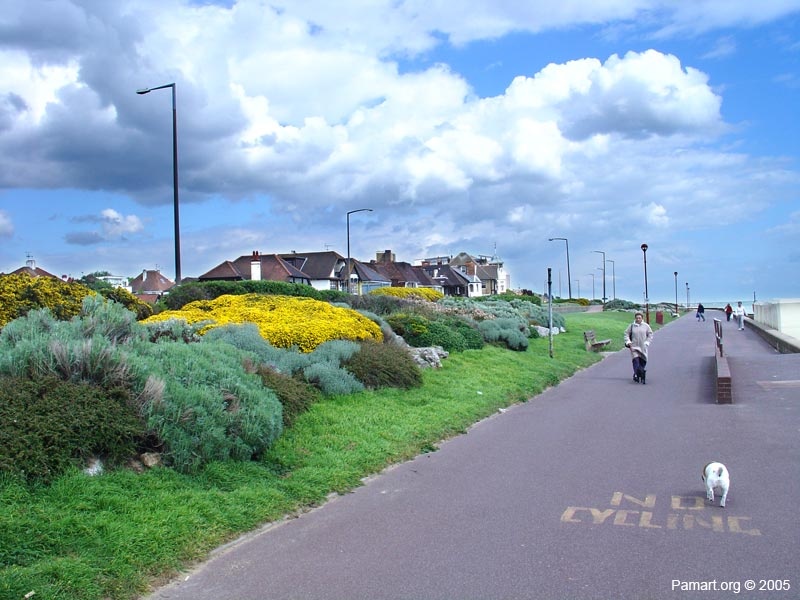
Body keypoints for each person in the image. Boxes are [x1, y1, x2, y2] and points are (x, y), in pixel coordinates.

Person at [624, 312, 654, 384]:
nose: (638, 319)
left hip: (643, 347)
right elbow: (626, 333)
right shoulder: (632, 326)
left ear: (642, 318)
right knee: (635, 361)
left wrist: (647, 342)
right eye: (637, 318)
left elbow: (650, 335)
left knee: (643, 361)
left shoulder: (646, 326)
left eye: (639, 318)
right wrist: (628, 342)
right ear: (635, 318)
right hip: (634, 347)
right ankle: (636, 374)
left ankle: (640, 373)